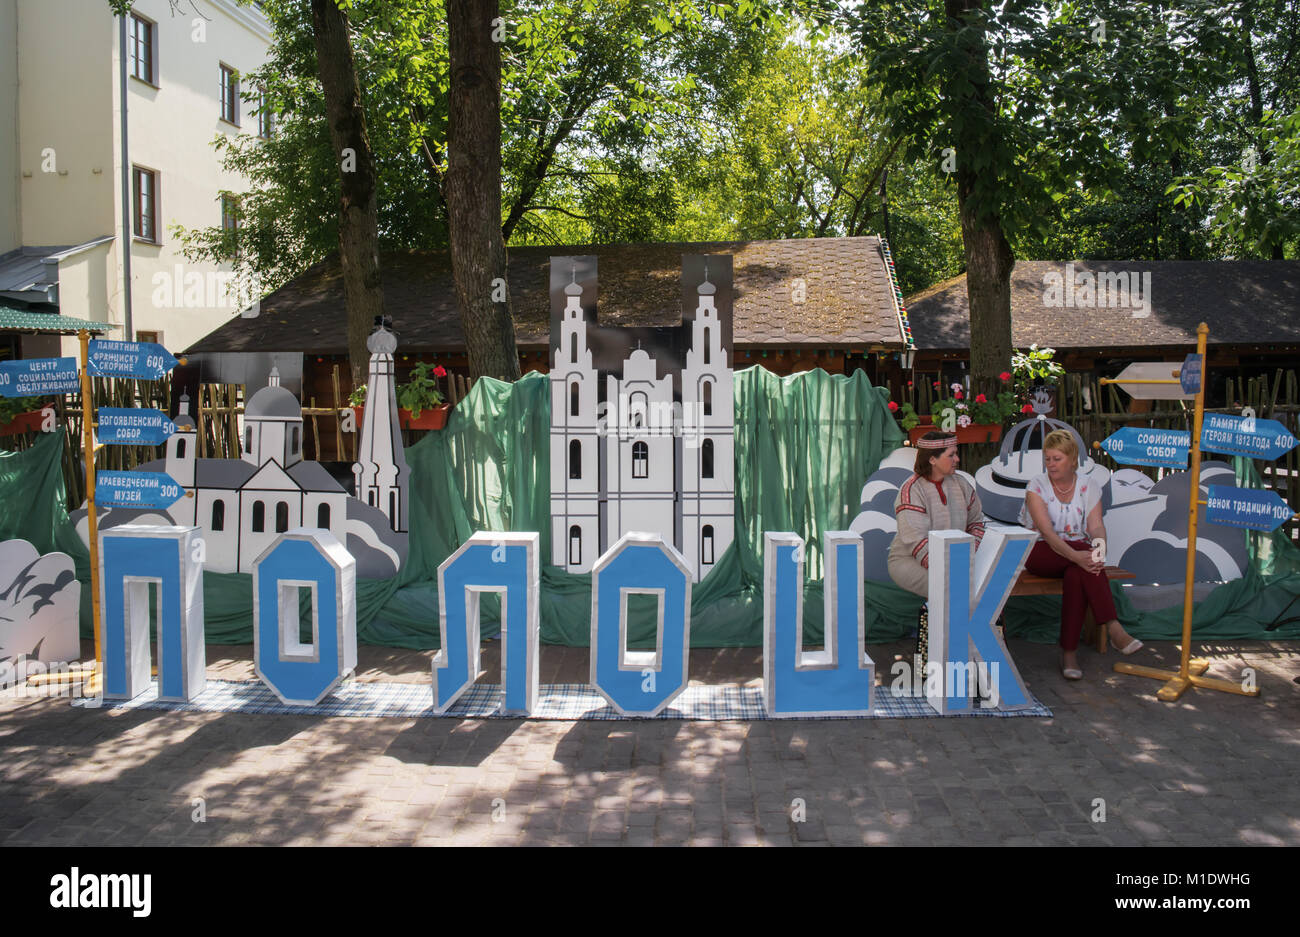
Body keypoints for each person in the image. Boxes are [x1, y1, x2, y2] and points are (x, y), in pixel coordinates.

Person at [1020, 429, 1143, 679]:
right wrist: (1083, 557)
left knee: (1077, 573)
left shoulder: (1088, 486)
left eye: (1057, 459)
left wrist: (1098, 550)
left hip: (1076, 556)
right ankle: (1112, 625)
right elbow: (1048, 534)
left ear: (1073, 459)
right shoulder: (1037, 485)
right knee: (1080, 560)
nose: (1051, 464)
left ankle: (1069, 654)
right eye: (1048, 459)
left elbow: (1096, 526)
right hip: (1041, 551)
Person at [889, 431, 988, 680]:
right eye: (951, 455)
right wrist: (953, 569)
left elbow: (977, 523)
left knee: (982, 590)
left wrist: (967, 558)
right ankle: (938, 670)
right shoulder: (911, 490)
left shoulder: (962, 485)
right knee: (951, 591)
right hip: (909, 562)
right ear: (932, 459)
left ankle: (976, 666)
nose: (957, 460)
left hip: (956, 563)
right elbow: (916, 542)